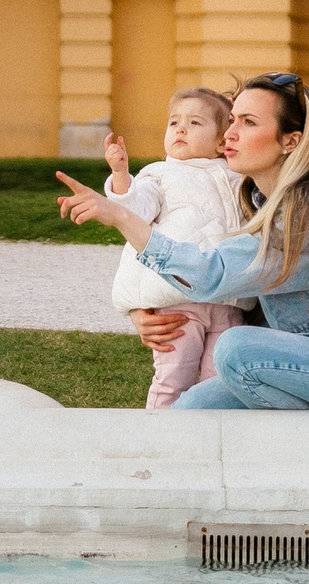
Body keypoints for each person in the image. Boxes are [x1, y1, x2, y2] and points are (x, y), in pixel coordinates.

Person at [57, 72, 309, 411]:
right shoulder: (257, 204)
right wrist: (150, 311)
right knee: (192, 409)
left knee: (237, 351)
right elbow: (246, 297)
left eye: (248, 122)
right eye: (231, 120)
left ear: (290, 141)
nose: (229, 133)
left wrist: (121, 216)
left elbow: (214, 273)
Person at [101, 88, 248, 410]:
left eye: (195, 123)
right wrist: (121, 176)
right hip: (178, 301)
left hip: (230, 302)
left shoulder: (240, 178)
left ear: (223, 141)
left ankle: (205, 442)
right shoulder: (158, 175)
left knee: (217, 382)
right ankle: (157, 438)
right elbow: (135, 211)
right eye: (174, 123)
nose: (180, 129)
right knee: (173, 376)